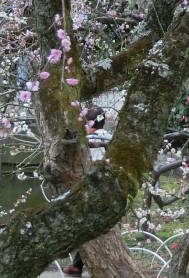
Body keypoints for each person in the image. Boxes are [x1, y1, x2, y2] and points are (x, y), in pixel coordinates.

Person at [63, 106, 111, 277]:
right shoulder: (110, 138)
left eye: (85, 123)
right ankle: (78, 264)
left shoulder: (89, 140)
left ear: (91, 124)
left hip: (93, 187)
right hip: (108, 189)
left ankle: (78, 264)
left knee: (87, 227)